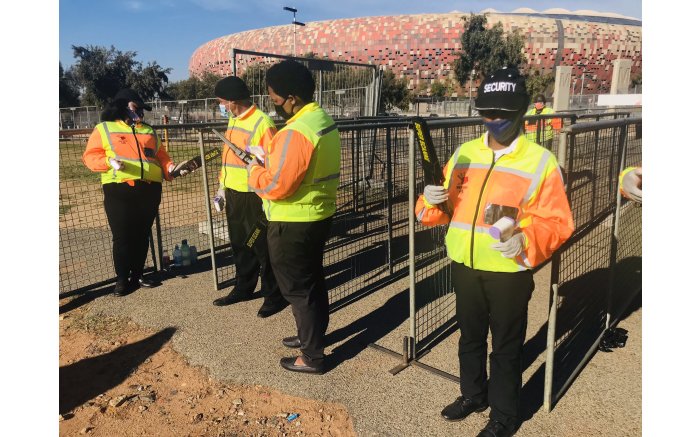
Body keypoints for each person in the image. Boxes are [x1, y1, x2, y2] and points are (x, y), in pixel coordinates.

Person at [416, 68, 574, 437]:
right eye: (488, 112)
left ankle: (505, 416)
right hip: (465, 265)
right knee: (469, 337)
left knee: (505, 347)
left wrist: (527, 241)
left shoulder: (540, 162)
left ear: (520, 112)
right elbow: (439, 211)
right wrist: (430, 199)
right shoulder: (465, 153)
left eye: (503, 113)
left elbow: (557, 222)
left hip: (509, 272)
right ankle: (473, 395)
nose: (494, 120)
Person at [247, 60, 340, 375]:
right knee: (312, 282)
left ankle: (312, 356)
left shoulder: (297, 131)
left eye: (275, 99)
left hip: (294, 221)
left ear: (293, 98)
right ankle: (310, 336)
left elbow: (278, 186)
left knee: (299, 291)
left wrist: (255, 171)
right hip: (317, 214)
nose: (274, 105)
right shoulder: (320, 119)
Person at [82, 89, 190, 296]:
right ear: (121, 107)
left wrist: (171, 169)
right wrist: (108, 162)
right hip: (119, 190)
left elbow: (161, 156)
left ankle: (138, 274)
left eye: (141, 109)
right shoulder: (104, 129)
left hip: (149, 189)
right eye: (135, 108)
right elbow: (89, 156)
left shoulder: (148, 130)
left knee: (142, 235)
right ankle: (122, 279)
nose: (140, 113)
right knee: (122, 237)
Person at [210, 76, 287, 319]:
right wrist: (222, 188)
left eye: (221, 102)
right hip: (233, 193)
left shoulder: (261, 123)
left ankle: (273, 295)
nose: (220, 106)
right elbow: (228, 159)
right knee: (240, 244)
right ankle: (243, 287)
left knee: (261, 245)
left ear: (232, 101)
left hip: (254, 196)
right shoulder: (234, 120)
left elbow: (270, 162)